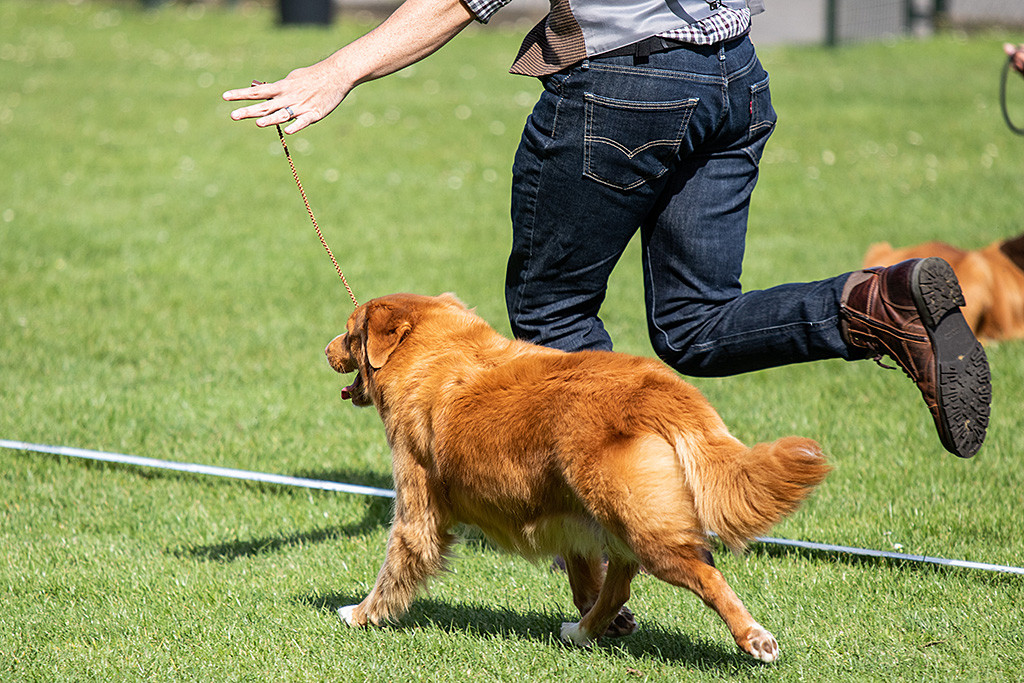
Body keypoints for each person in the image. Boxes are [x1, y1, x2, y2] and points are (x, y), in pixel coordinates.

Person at [224, 0, 990, 458]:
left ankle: (611, 508)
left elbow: (461, 0)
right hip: (734, 79)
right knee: (696, 323)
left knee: (551, 313)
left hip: (624, 87)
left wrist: (338, 70)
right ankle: (878, 303)